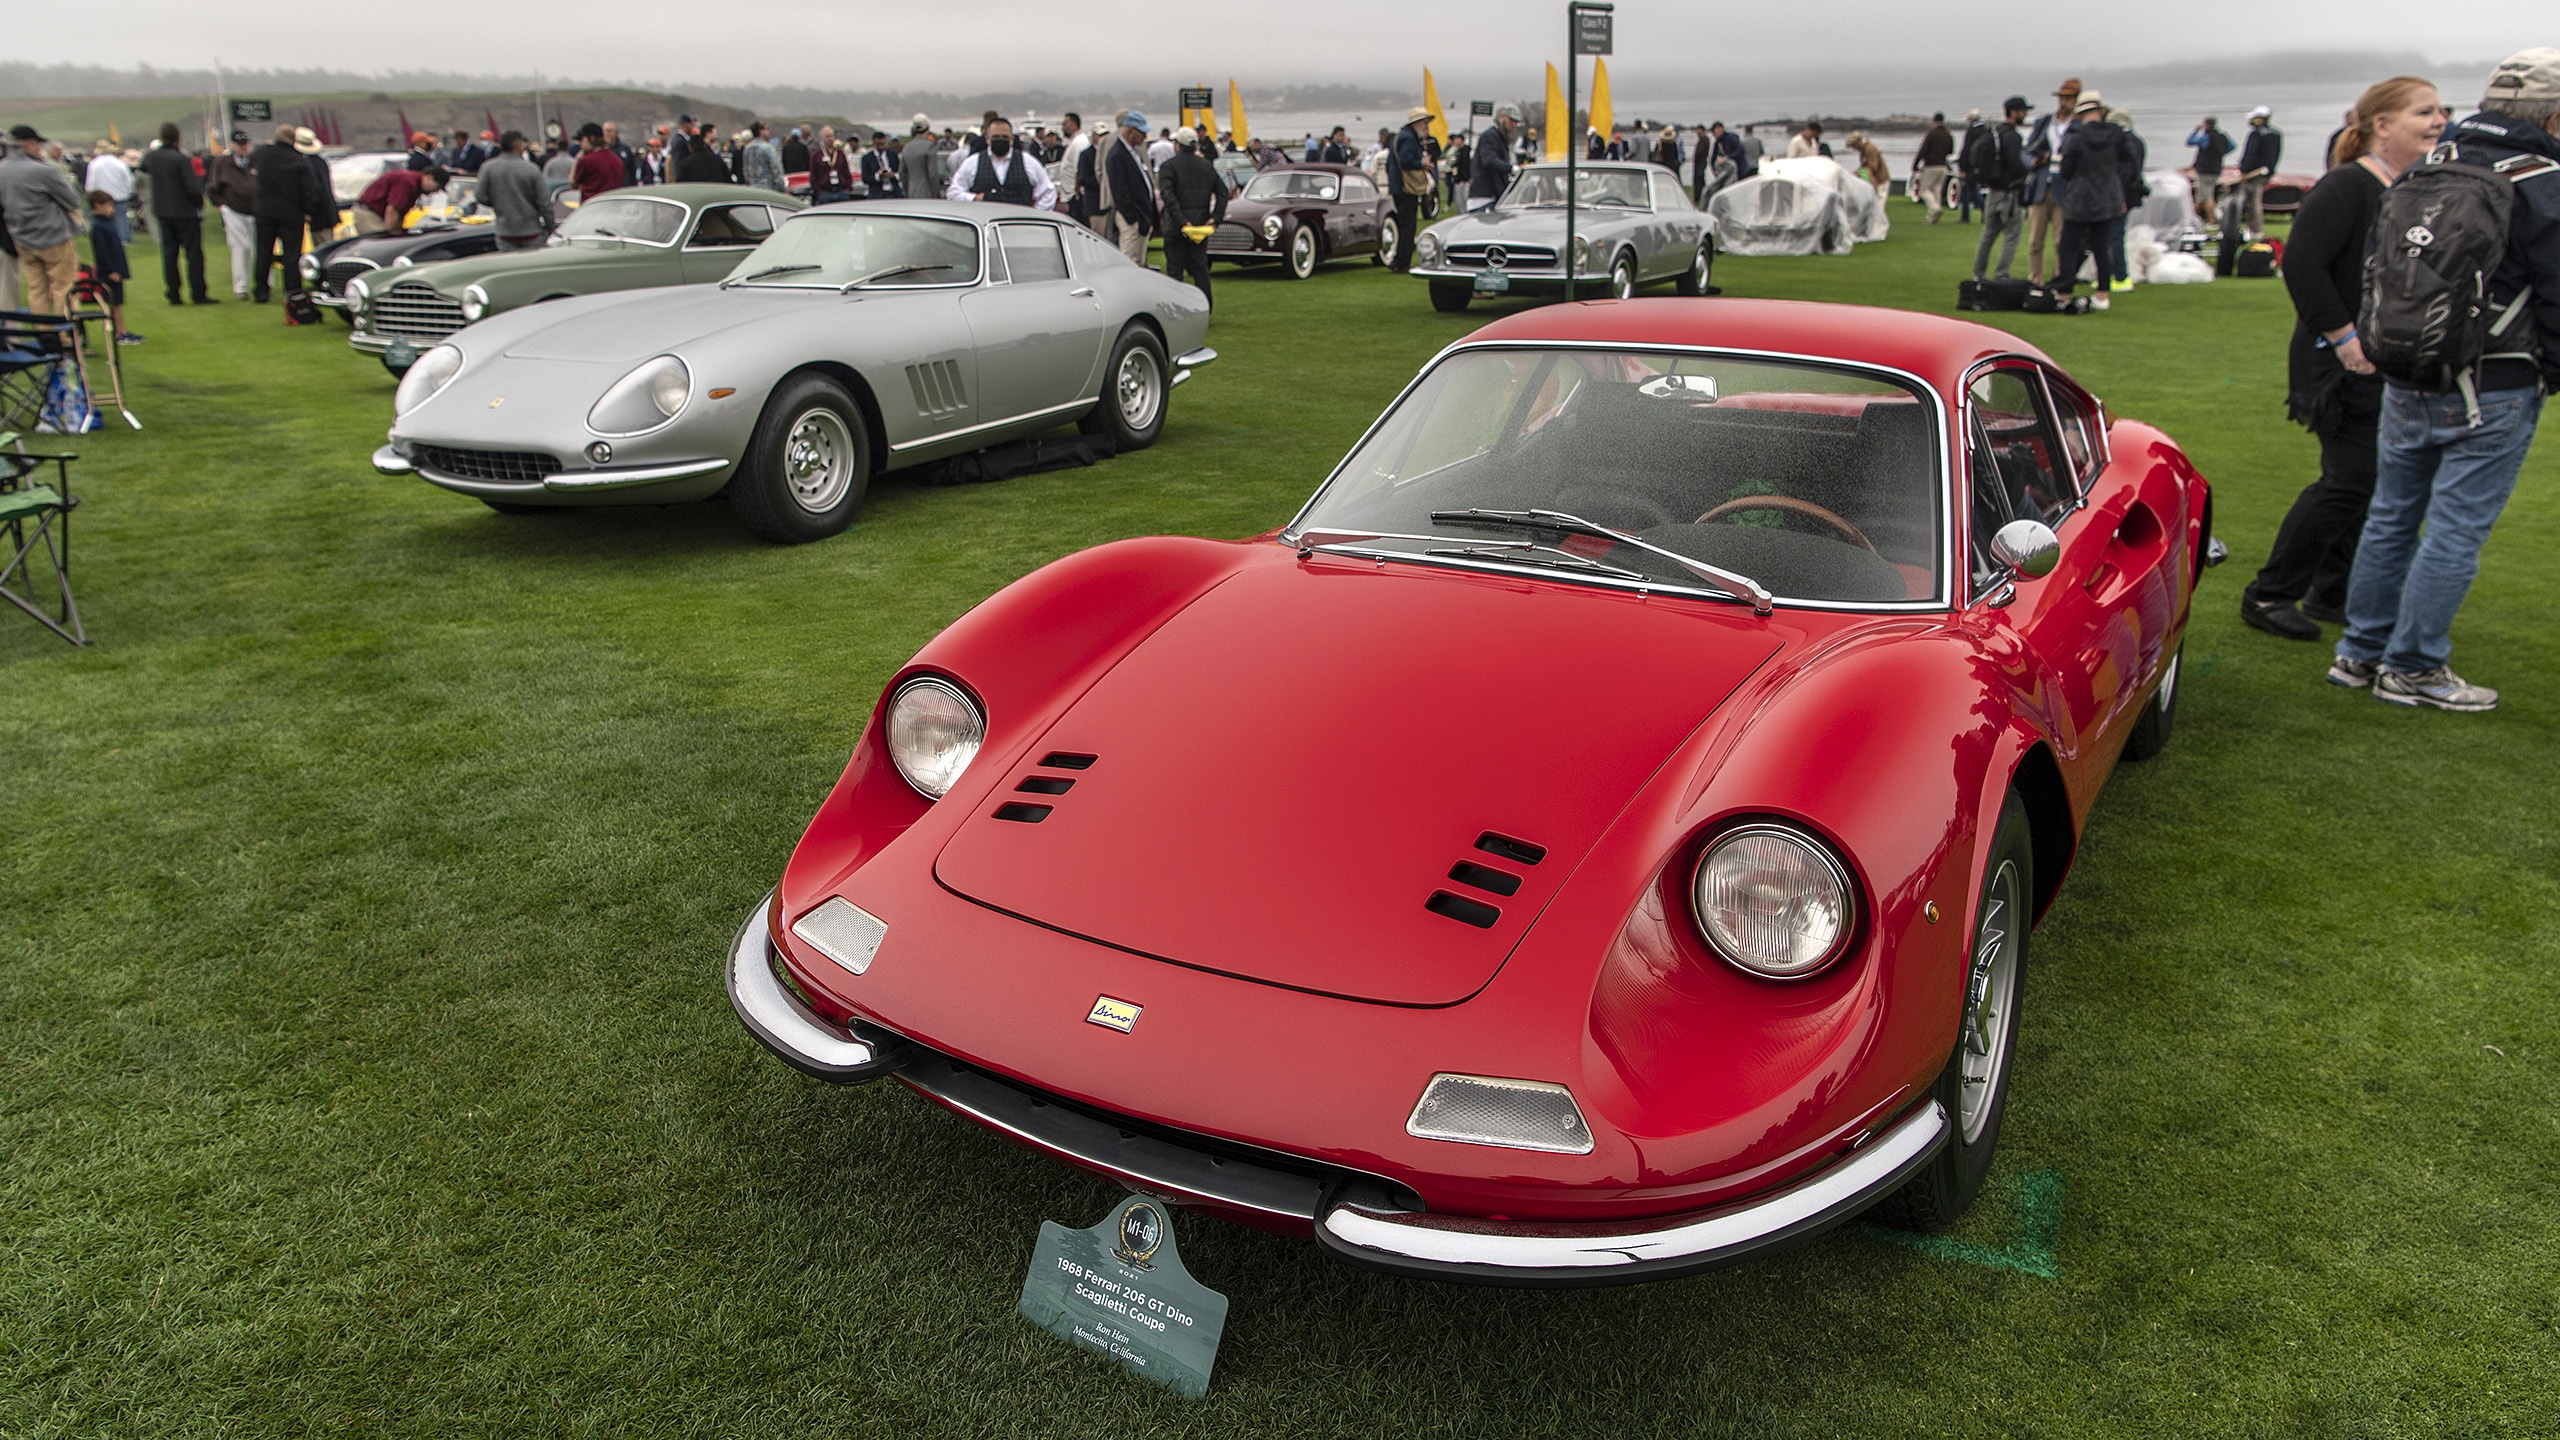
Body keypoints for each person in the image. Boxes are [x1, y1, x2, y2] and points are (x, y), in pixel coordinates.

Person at [2332, 51, 2560, 711]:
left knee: (2392, 515)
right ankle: (2414, 666)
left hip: (2407, 367)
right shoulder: (2542, 179)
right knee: (2456, 528)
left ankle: (2360, 651)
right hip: (2495, 380)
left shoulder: (2429, 165)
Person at [2241, 77, 2446, 643]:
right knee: (2350, 479)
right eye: (2423, 112)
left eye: (2440, 110)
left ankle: (2333, 591)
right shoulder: (2346, 186)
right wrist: (2345, 339)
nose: (2438, 120)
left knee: (2373, 479)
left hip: (2383, 359)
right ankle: (2270, 593)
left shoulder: (2409, 186)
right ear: (2382, 125)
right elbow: (2303, 265)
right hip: (2337, 362)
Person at [2054, 94, 2131, 301]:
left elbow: (2065, 171)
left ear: (2080, 115)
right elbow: (2128, 159)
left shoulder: (2076, 138)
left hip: (2079, 197)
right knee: (2100, 247)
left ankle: (2064, 293)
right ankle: (2102, 295)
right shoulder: (2116, 135)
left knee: (2068, 247)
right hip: (2106, 197)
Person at [2, 125, 85, 316]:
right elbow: (72, 201)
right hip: (53, 236)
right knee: (64, 287)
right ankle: (66, 337)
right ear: (27, 145)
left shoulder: (2, 170)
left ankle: (44, 334)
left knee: (37, 290)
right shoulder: (43, 171)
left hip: (21, 237)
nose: (39, 147)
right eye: (37, 144)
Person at [248, 123, 323, 302]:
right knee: (291, 254)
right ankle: (292, 290)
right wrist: (309, 210)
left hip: (264, 211)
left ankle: (261, 290)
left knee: (264, 251)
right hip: (291, 212)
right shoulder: (298, 161)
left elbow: (250, 168)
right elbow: (310, 190)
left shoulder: (261, 154)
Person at [142, 123, 213, 306]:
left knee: (169, 254)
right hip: (184, 211)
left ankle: (173, 293)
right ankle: (198, 292)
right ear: (177, 138)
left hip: (163, 211)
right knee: (193, 253)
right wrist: (198, 202)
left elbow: (143, 167)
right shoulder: (180, 159)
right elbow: (191, 187)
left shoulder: (152, 157)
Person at [2023, 78, 2082, 285]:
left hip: (2065, 188)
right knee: (2035, 241)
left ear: (2076, 101)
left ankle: (2060, 281)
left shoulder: (2079, 126)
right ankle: (2034, 281)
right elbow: (2026, 151)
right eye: (2061, 98)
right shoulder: (2044, 122)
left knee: (2062, 241)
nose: (2063, 102)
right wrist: (2034, 161)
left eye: (2068, 98)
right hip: (2041, 184)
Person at [1157, 125, 1223, 305]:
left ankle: (1177, 309)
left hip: (1176, 228)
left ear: (1178, 145)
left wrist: (1182, 221)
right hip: (1201, 226)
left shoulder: (1168, 167)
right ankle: (1205, 308)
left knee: (1175, 272)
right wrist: (1215, 218)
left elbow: (1168, 197)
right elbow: (1222, 193)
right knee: (1200, 270)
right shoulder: (1206, 166)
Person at [944, 116, 1058, 209]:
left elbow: (1048, 192)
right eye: (996, 137)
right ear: (987, 139)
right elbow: (953, 193)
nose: (1000, 140)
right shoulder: (972, 163)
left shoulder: (1029, 162)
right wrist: (974, 199)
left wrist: (1035, 217)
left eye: (1005, 137)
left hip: (1021, 228)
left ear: (1012, 140)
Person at [1094, 110, 1158, 263]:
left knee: (1140, 263)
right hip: (1132, 220)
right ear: (1130, 131)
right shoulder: (1117, 155)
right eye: (1142, 132)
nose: (1145, 136)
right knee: (1129, 261)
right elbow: (1120, 190)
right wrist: (1132, 219)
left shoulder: (1132, 152)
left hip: (1140, 217)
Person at [204, 129, 257, 298]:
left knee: (260, 248)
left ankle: (264, 284)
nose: (244, 147)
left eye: (246, 143)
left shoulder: (255, 161)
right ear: (233, 145)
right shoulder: (223, 162)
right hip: (233, 209)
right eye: (240, 144)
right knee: (240, 247)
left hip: (256, 210)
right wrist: (220, 204)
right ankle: (241, 287)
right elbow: (212, 186)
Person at [82, 190, 140, 344]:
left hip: (117, 266)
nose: (111, 209)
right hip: (109, 271)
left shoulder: (108, 222)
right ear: (97, 206)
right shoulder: (98, 226)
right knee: (114, 302)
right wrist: (110, 270)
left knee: (118, 301)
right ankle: (119, 332)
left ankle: (122, 330)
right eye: (108, 206)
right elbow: (101, 251)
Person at [479, 131, 549, 251]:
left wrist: (498, 203)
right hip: (531, 231)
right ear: (519, 146)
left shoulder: (488, 168)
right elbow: (544, 203)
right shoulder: (531, 169)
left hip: (505, 232)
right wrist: (550, 227)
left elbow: (480, 195)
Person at [351, 160, 444, 237]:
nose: (436, 191)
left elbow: (399, 213)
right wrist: (393, 236)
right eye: (437, 187)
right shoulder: (408, 182)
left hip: (377, 213)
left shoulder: (416, 185)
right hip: (369, 213)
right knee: (381, 242)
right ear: (429, 177)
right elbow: (392, 210)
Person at [1390, 106, 1432, 271]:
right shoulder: (1409, 138)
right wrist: (1422, 164)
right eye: (1425, 123)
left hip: (1398, 186)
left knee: (1404, 224)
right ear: (1418, 123)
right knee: (1408, 225)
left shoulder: (1402, 135)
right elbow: (1406, 161)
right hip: (1405, 188)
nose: (1427, 127)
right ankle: (1402, 263)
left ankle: (1398, 259)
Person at [2236, 105, 2283, 239]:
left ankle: (2256, 230)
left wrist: (2244, 170)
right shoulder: (2276, 134)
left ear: (2261, 119)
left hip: (2254, 173)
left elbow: (2250, 153)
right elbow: (2277, 154)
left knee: (2253, 202)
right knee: (2254, 200)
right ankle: (2253, 228)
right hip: (2266, 172)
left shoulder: (2256, 134)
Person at [1468, 104, 1520, 211]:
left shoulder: (1498, 137)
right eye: (1511, 120)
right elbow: (1489, 160)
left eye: (1516, 122)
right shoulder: (1490, 136)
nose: (1514, 125)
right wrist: (1512, 168)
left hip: (1491, 196)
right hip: (1484, 197)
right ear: (1501, 117)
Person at [84, 139, 134, 243]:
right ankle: (123, 238)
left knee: (104, 219)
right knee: (121, 218)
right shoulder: (119, 163)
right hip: (121, 195)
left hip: (102, 197)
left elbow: (91, 181)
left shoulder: (94, 164)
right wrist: (128, 191)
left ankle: (107, 239)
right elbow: (128, 179)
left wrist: (90, 193)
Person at [2187, 116, 2232, 222]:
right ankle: (2193, 217)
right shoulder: (2222, 136)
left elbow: (2190, 142)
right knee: (2203, 195)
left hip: (2205, 170)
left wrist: (2196, 130)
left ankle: (2212, 219)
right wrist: (2220, 153)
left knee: (2206, 197)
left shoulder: (2205, 137)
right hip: (2217, 169)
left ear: (2206, 125)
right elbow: (2232, 146)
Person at [1914, 112, 1954, 221]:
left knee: (1924, 190)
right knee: (1937, 189)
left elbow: (1923, 150)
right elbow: (1950, 151)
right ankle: (1932, 217)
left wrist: (1915, 164)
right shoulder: (1948, 134)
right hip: (1943, 166)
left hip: (1931, 165)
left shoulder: (1931, 134)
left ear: (1934, 121)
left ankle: (1935, 208)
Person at [570, 122, 624, 202]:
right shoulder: (617, 160)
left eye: (581, 140)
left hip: (592, 206)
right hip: (613, 205)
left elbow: (573, 183)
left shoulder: (586, 160)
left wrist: (577, 159)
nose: (580, 144)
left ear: (591, 138)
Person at [806, 127, 852, 204]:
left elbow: (847, 172)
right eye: (827, 137)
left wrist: (847, 188)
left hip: (840, 191)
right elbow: (813, 176)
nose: (830, 139)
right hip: (825, 193)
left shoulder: (840, 154)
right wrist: (818, 191)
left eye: (832, 136)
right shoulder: (817, 155)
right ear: (822, 138)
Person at [900, 117, 941, 203]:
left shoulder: (907, 148)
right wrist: (936, 194)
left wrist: (906, 190)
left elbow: (902, 173)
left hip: (911, 192)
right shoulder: (930, 146)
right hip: (927, 193)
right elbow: (932, 174)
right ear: (928, 128)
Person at [1844, 130, 1888, 195]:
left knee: (1878, 203)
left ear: (1858, 142)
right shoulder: (1864, 149)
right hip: (1873, 181)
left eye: (1853, 146)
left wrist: (1859, 172)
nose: (1854, 149)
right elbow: (1865, 165)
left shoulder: (1870, 148)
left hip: (1880, 181)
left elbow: (1872, 167)